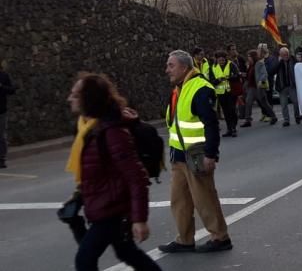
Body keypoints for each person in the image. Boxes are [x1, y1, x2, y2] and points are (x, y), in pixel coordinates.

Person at [66, 73, 161, 271]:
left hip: (113, 210)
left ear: (88, 99)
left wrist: (139, 219)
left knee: (85, 260)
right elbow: (96, 172)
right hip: (104, 205)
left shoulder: (112, 132)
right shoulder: (88, 129)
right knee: (127, 253)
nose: (69, 98)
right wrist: (79, 196)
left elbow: (136, 176)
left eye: (75, 95)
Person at [158, 50, 232, 254]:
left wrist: (211, 154)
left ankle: (220, 237)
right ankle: (184, 240)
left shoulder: (200, 88)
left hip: (196, 156)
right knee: (179, 200)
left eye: (170, 66)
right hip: (179, 156)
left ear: (184, 67)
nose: (167, 70)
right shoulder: (179, 89)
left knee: (204, 198)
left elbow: (211, 124)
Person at [207, 51, 239, 138]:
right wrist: (218, 80)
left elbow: (237, 75)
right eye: (219, 59)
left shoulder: (231, 64)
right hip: (220, 93)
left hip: (231, 91)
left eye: (223, 58)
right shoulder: (213, 68)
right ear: (216, 59)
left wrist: (228, 77)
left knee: (232, 110)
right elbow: (211, 81)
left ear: (225, 58)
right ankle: (229, 129)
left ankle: (233, 128)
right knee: (225, 112)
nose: (221, 60)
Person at [244, 49, 277, 127]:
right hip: (251, 87)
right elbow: (249, 75)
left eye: (249, 56)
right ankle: (247, 120)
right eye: (248, 56)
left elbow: (264, 74)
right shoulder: (250, 65)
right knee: (248, 103)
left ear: (253, 57)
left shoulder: (259, 64)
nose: (248, 58)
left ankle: (273, 117)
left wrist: (260, 81)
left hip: (259, 87)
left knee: (264, 103)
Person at [274, 47, 301, 127]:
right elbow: (272, 71)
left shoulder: (293, 60)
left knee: (295, 102)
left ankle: (297, 116)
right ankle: (286, 120)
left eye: (286, 54)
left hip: (292, 85)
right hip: (282, 86)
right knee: (284, 104)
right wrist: (278, 62)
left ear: (288, 54)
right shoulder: (279, 62)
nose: (285, 56)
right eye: (283, 55)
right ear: (280, 55)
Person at [0, 59, 14, 168]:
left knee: (1, 135)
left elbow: (12, 90)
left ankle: (2, 158)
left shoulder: (4, 76)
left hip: (1, 110)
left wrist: (2, 87)